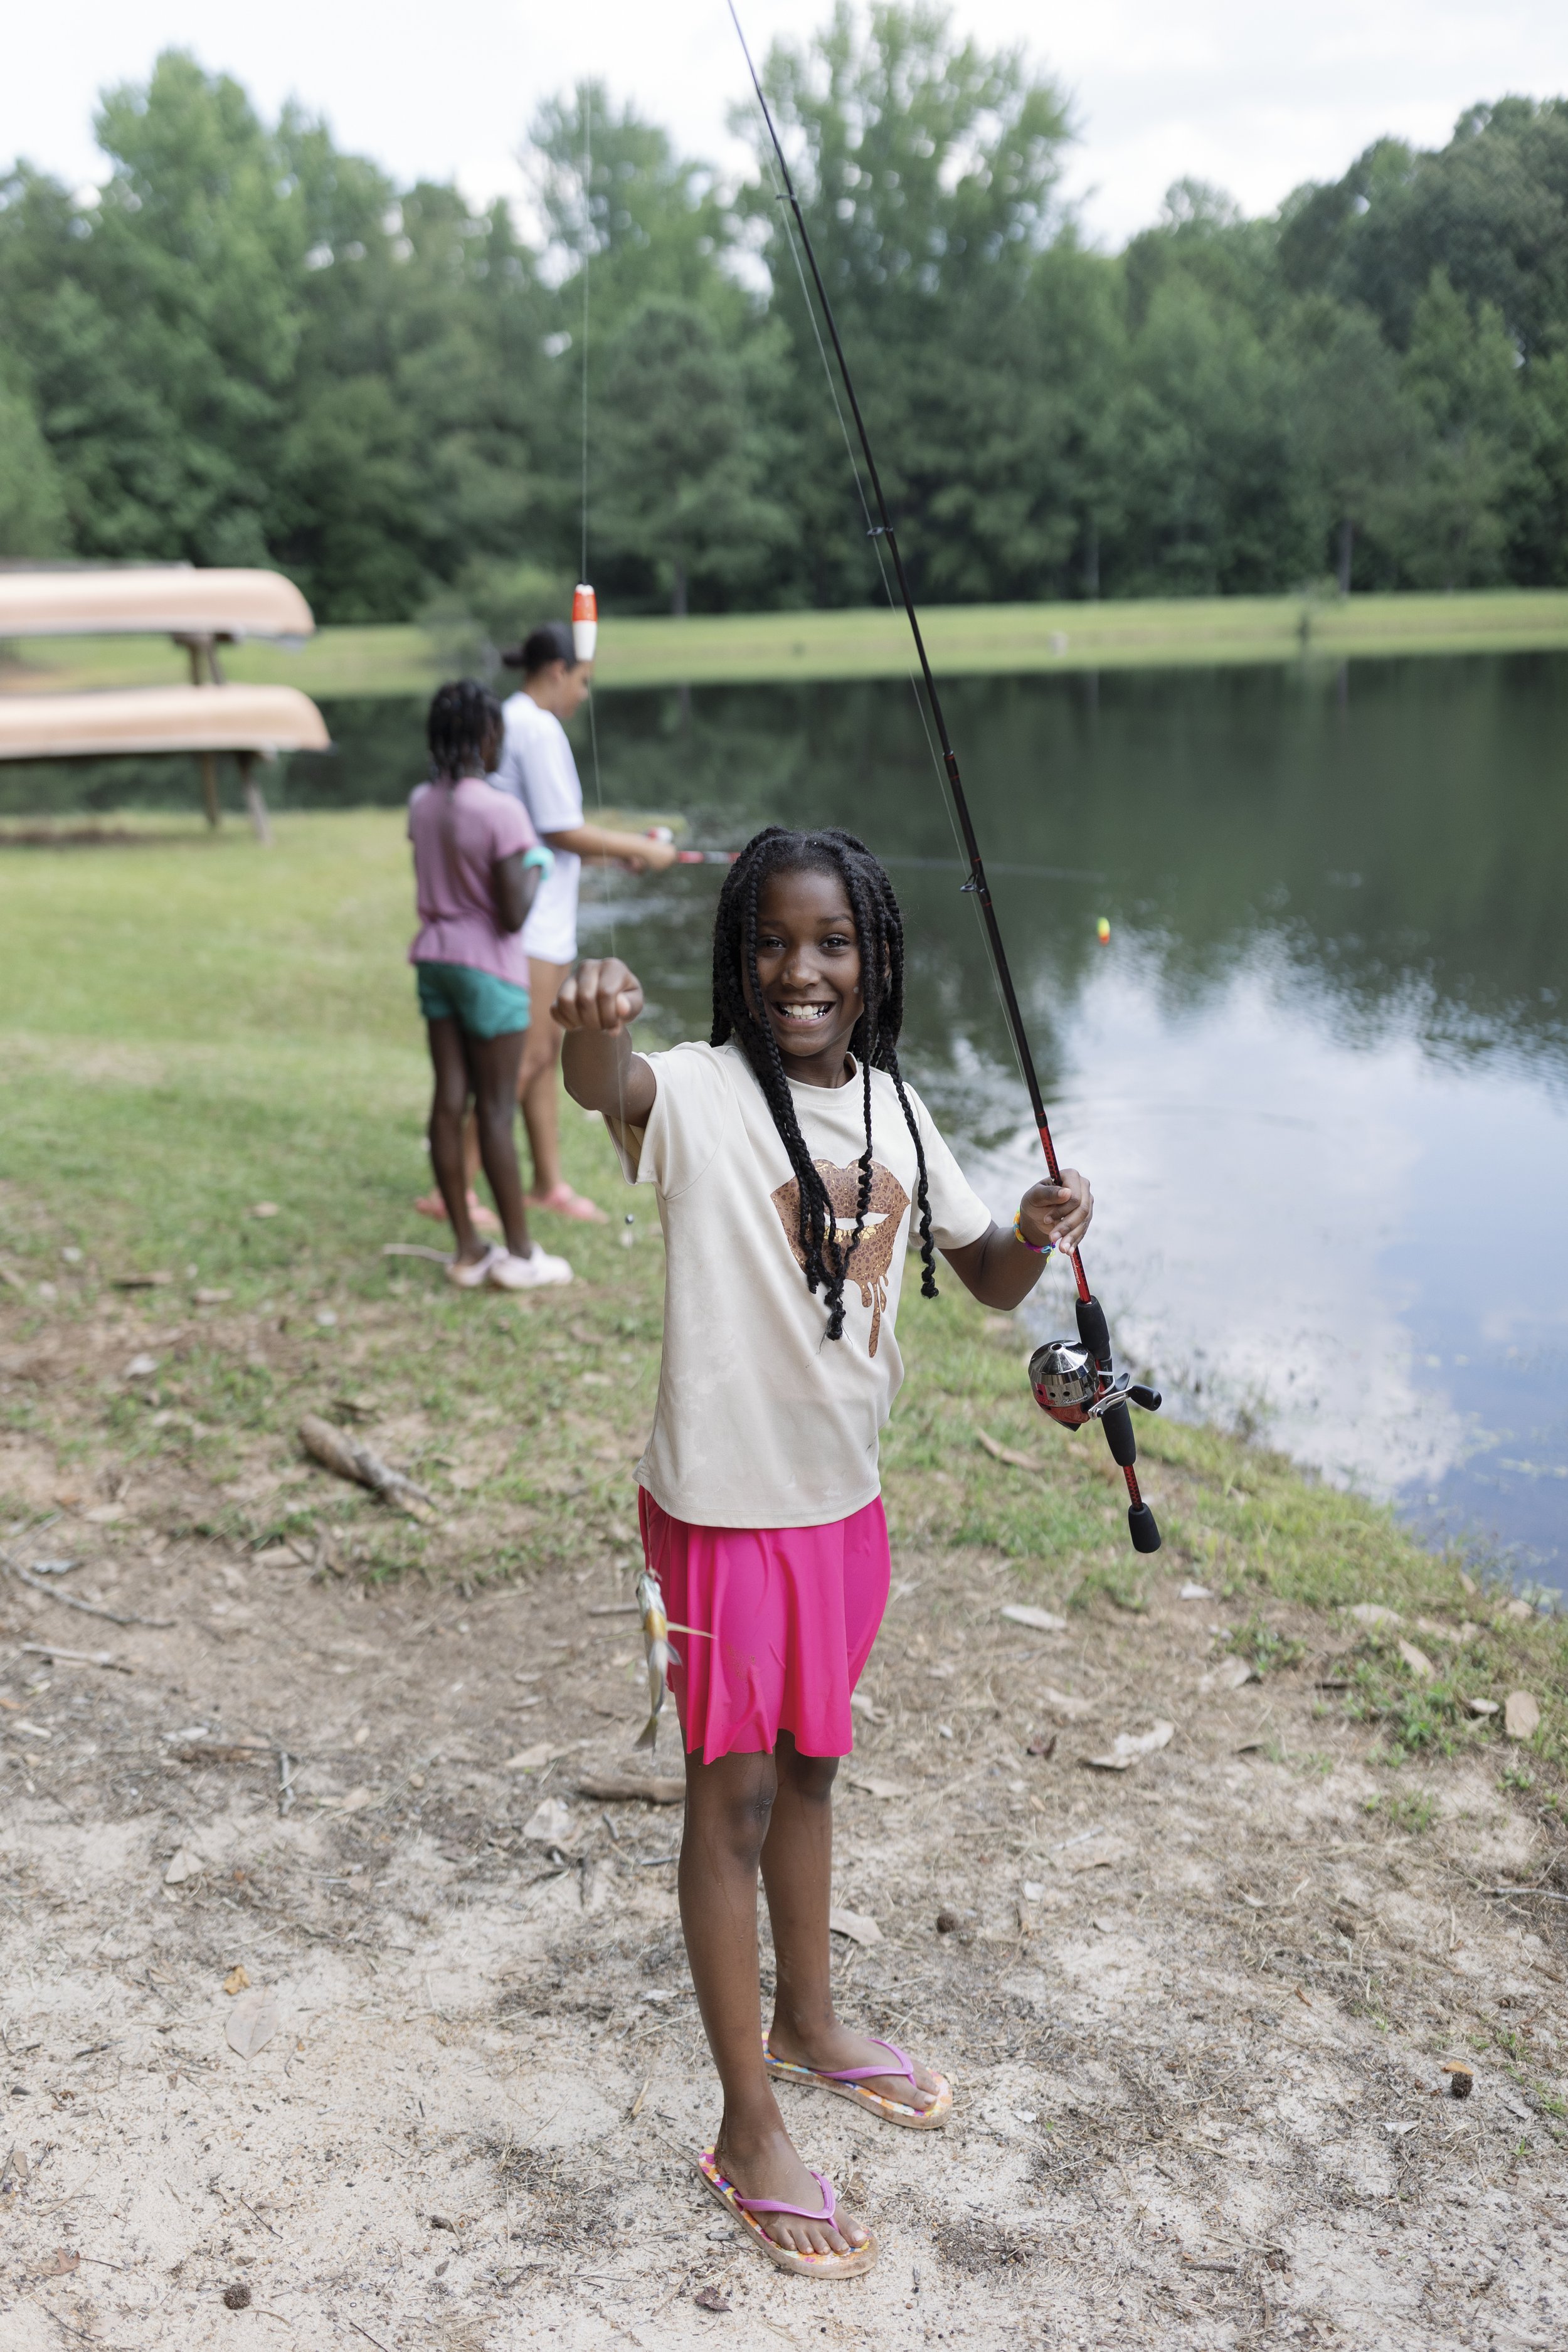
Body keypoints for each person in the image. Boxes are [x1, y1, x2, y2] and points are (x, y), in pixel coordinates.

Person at [556, 825, 1096, 2277]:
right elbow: (609, 1087)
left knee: (810, 1765)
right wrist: (589, 1029)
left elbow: (983, 1269)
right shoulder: (702, 1092)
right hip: (724, 1514)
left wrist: (1037, 1234)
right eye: (775, 941)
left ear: (875, 963)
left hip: (840, 1508)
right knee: (726, 1796)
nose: (804, 968)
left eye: (834, 942)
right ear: (739, 958)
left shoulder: (905, 1110)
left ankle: (808, 2018)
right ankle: (746, 2119)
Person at [412, 620, 679, 1228]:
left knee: (541, 1055)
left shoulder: (513, 721)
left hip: (542, 923)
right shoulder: (535, 727)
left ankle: (548, 1183)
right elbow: (559, 829)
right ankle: (455, 1189)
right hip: (526, 928)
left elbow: (541, 831)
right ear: (557, 672)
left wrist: (621, 852)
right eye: (583, 681)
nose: (584, 694)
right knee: (527, 1058)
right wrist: (644, 847)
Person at [408, 680, 573, 1292]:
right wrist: (536, 864)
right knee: (497, 1109)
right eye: (497, 732)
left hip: (435, 961)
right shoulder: (501, 811)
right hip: (489, 971)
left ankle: (467, 1251)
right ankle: (522, 1257)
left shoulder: (421, 802)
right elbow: (510, 914)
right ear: (483, 737)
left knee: (449, 1101)